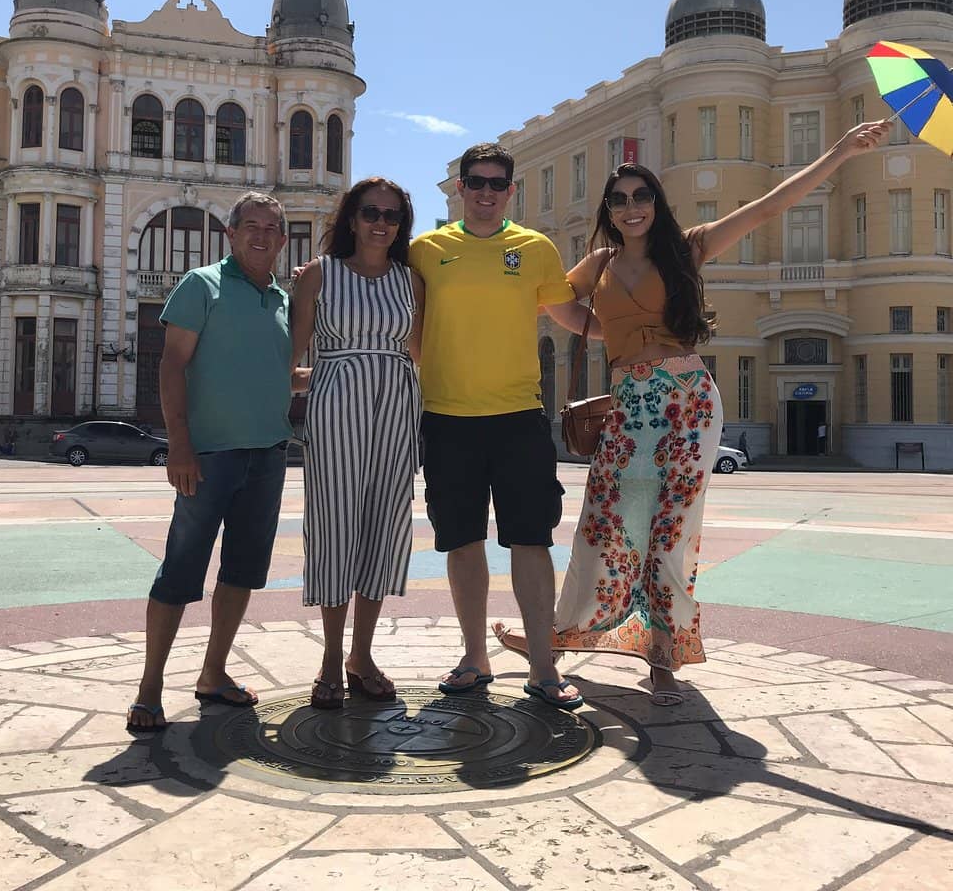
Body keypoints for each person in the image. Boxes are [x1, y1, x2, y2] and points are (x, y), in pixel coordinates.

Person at [494, 120, 889, 706]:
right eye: (620, 200)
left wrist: (839, 151)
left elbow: (766, 207)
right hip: (629, 405)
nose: (632, 208)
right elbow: (549, 301)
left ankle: (663, 655)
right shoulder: (598, 264)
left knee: (671, 530)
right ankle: (560, 634)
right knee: (605, 522)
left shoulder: (686, 248)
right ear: (609, 210)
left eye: (642, 196)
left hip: (688, 402)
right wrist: (609, 330)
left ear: (656, 203)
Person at [409, 143, 592, 711]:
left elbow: (568, 314)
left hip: (518, 418)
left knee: (531, 540)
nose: (485, 192)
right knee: (461, 541)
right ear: (460, 188)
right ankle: (474, 658)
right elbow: (400, 316)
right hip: (447, 418)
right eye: (476, 182)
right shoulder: (425, 250)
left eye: (496, 183)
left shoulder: (535, 248)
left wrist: (646, 330)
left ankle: (543, 667)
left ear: (511, 191)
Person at [126, 192, 292, 733]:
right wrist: (178, 443)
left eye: (271, 228)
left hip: (268, 455)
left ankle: (213, 673)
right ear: (231, 234)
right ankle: (150, 688)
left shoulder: (282, 300)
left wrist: (352, 371)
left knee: (242, 571)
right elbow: (172, 364)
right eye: (251, 226)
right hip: (208, 457)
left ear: (282, 240)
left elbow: (277, 375)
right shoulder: (203, 284)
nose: (261, 235)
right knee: (180, 569)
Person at [290, 177, 424, 709]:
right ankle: (330, 658)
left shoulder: (412, 282)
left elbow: (418, 354)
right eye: (370, 212)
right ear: (352, 217)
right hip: (335, 414)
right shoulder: (319, 275)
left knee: (382, 529)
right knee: (334, 528)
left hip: (396, 412)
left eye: (392, 215)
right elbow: (290, 354)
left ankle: (361, 656)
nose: (380, 223)